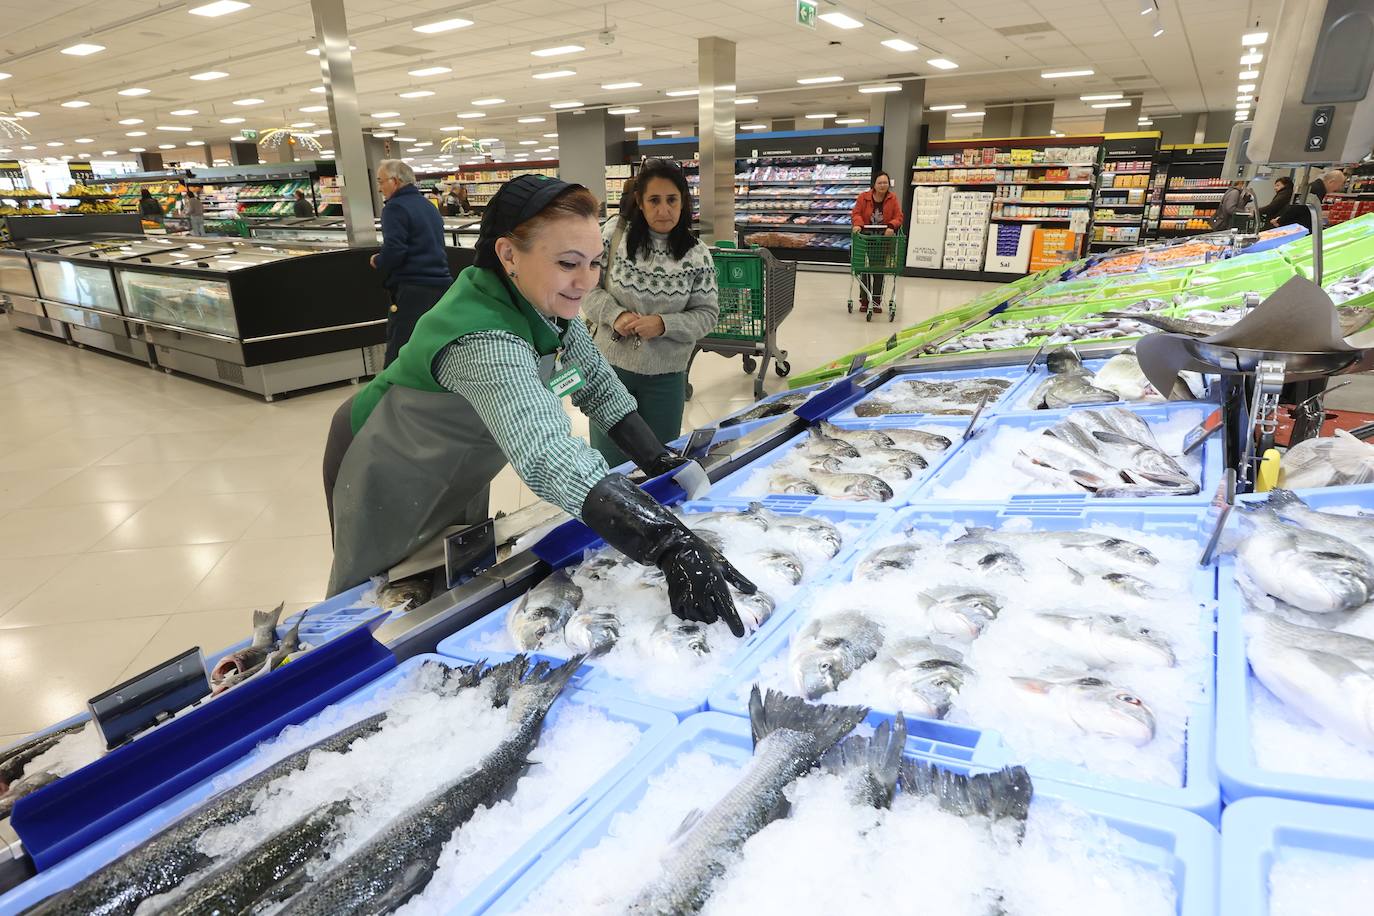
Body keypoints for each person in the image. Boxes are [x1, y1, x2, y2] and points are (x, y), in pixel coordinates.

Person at [322, 174, 756, 634]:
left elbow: (597, 385)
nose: (585, 282)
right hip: (388, 459)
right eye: (568, 263)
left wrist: (657, 458)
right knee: (379, 594)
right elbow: (547, 453)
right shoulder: (481, 335)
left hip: (459, 459)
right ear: (509, 254)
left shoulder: (542, 305)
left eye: (594, 263)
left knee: (442, 572)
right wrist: (667, 543)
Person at [582, 158, 719, 468]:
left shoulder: (697, 255)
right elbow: (586, 289)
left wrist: (663, 324)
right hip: (610, 373)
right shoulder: (613, 237)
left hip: (666, 378)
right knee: (610, 464)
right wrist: (615, 315)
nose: (663, 210)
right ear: (640, 203)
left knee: (658, 463)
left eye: (672, 200)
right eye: (654, 200)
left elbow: (707, 315)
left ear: (683, 202)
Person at [369, 159, 454, 367]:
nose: (379, 188)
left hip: (413, 288)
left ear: (395, 181)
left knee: (400, 350)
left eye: (380, 181)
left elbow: (395, 249)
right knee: (436, 346)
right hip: (442, 287)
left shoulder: (395, 208)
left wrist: (378, 260)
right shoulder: (428, 205)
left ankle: (391, 387)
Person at [850, 171, 904, 313]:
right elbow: (856, 213)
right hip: (865, 239)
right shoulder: (863, 198)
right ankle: (864, 300)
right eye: (880, 183)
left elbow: (899, 216)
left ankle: (876, 300)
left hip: (883, 240)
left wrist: (891, 226)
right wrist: (858, 224)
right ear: (874, 184)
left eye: (885, 183)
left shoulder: (892, 198)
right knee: (865, 270)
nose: (882, 185)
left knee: (878, 270)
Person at [1276, 169, 1346, 232]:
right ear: (1331, 182)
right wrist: (1281, 221)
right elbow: (1296, 207)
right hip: (1297, 229)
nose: (1339, 188)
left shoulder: (1317, 188)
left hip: (1299, 228)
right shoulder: (1315, 190)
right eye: (1339, 185)